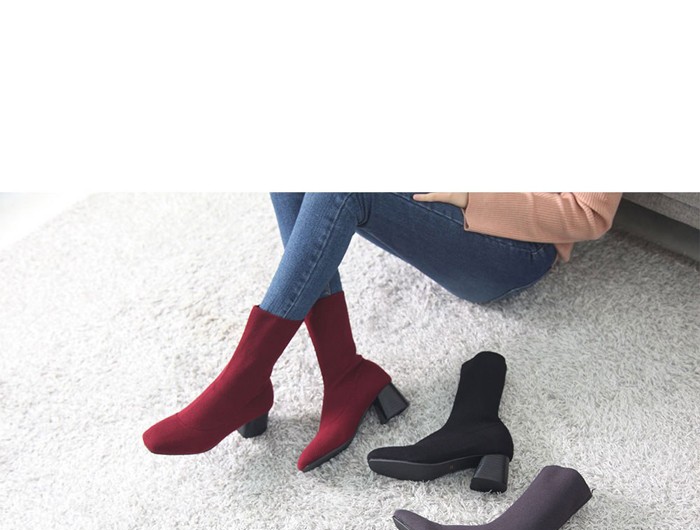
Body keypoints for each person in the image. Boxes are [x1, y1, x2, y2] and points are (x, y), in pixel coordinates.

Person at [142, 192, 623, 470]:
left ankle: (245, 381)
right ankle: (343, 371)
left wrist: (467, 194)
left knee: (344, 184)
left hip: (515, 244)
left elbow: (587, 213)